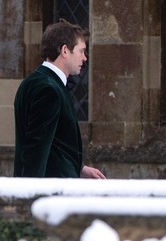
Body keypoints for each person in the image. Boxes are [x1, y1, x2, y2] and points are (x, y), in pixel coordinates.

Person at [13, 19, 106, 179]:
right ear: (64, 50)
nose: (84, 58)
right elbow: (35, 148)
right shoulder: (49, 89)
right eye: (81, 51)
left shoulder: (32, 82)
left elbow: (54, 143)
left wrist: (80, 167)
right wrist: (28, 195)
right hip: (52, 190)